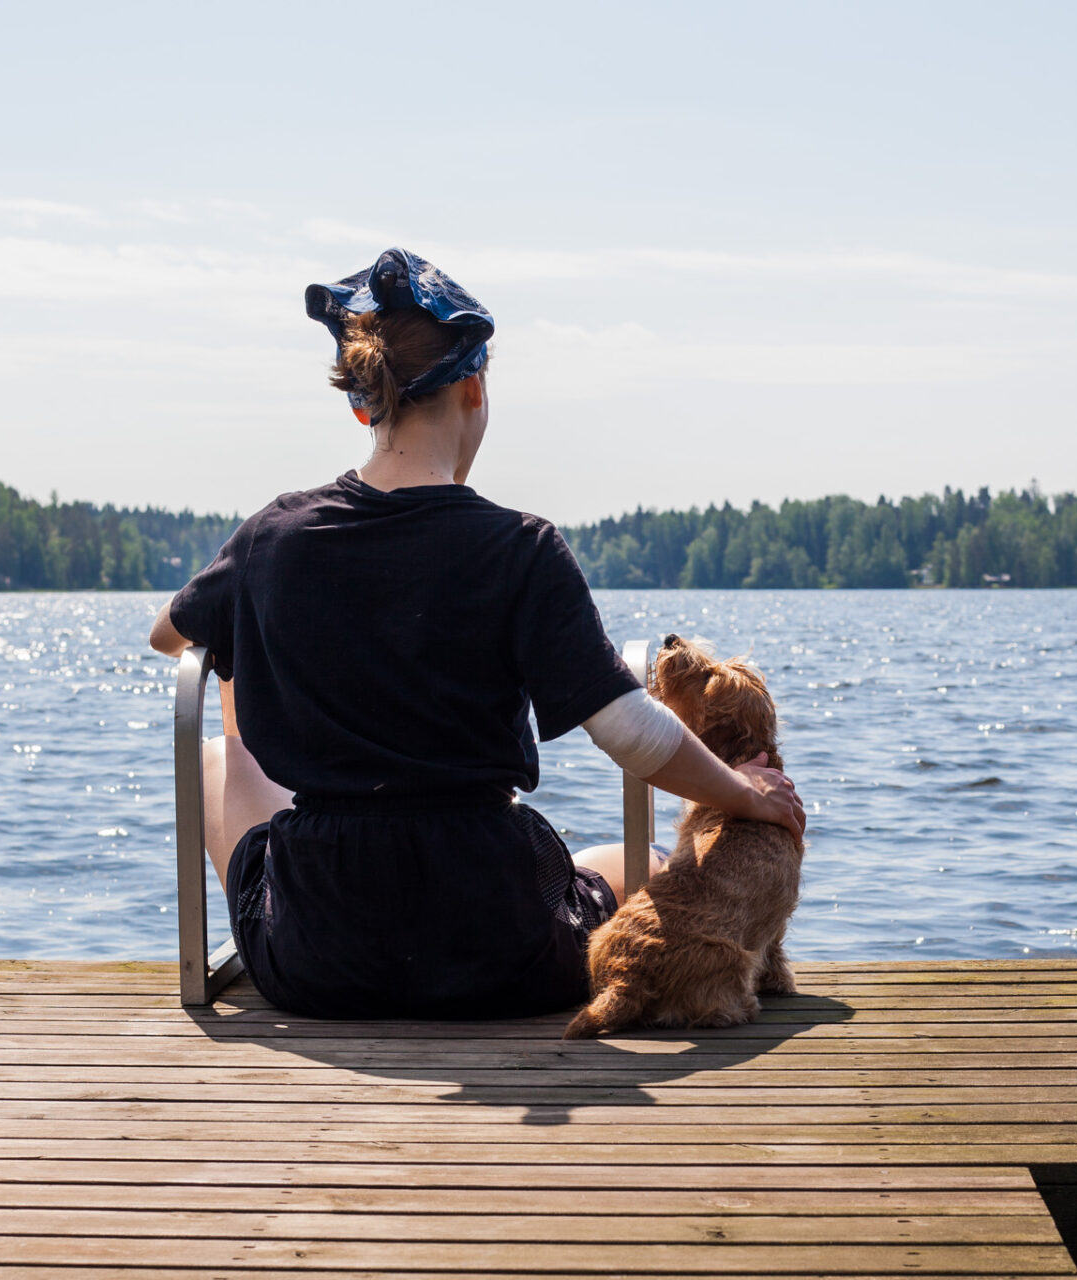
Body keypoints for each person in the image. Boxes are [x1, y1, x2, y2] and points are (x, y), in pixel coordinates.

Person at [148, 248, 803, 1019]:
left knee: (221, 754)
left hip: (318, 956)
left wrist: (248, 653)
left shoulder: (275, 534)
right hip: (498, 950)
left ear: (365, 405)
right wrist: (746, 797)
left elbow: (169, 635)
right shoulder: (520, 547)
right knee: (640, 863)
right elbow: (628, 728)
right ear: (474, 389)